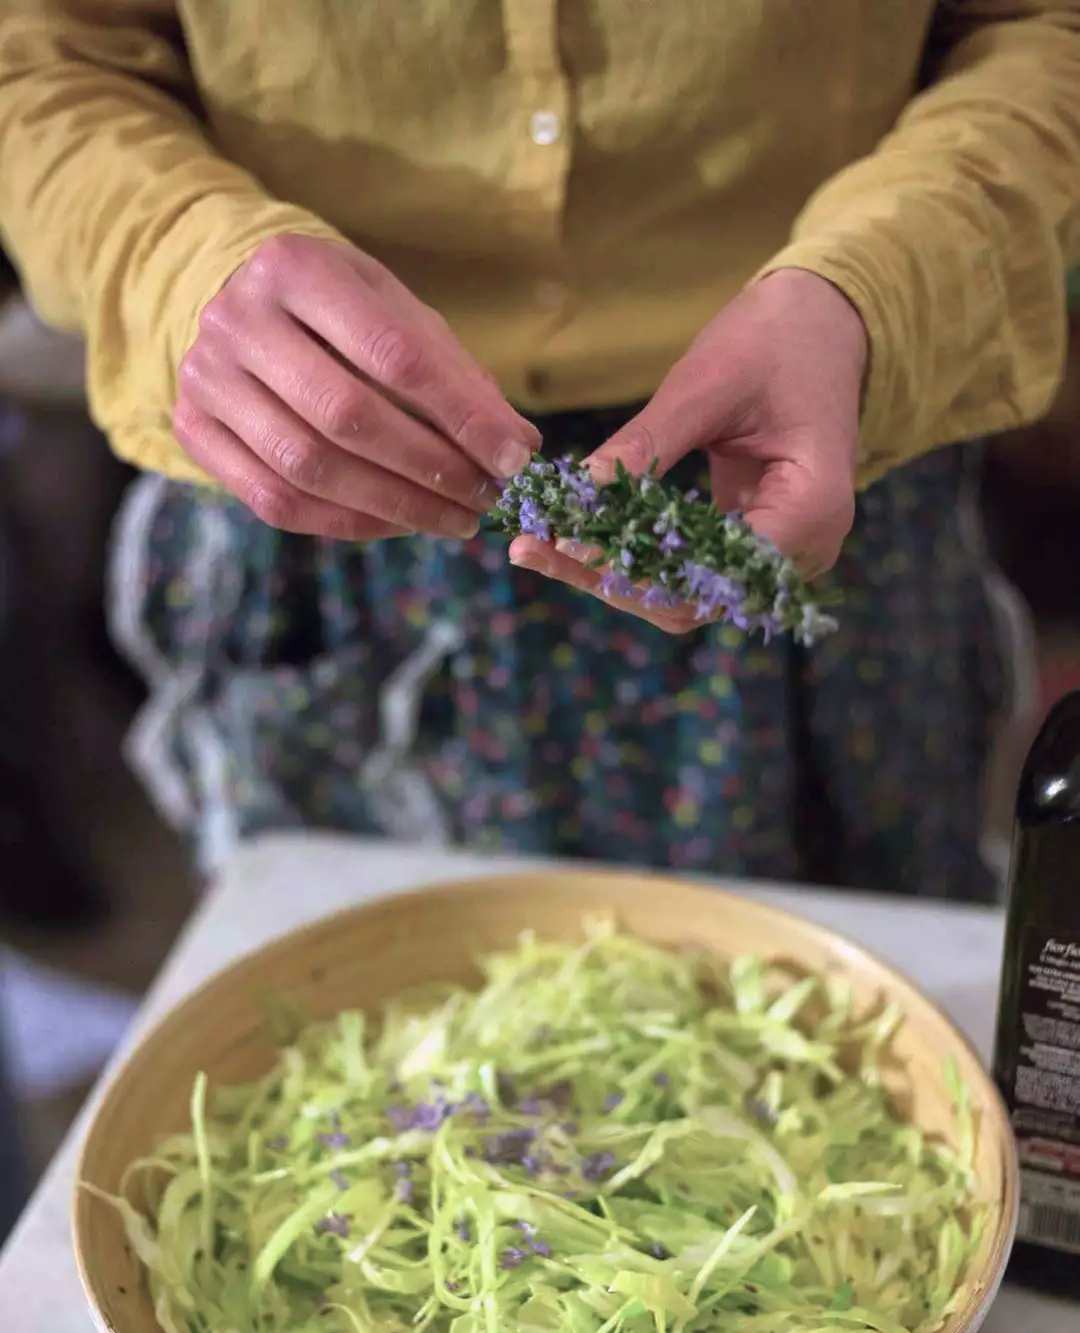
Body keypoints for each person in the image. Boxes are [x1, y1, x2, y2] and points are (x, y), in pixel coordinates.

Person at [1, 4, 1078, 900]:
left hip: (803, 466)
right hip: (317, 485)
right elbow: (40, 58)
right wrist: (171, 255)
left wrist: (880, 286)